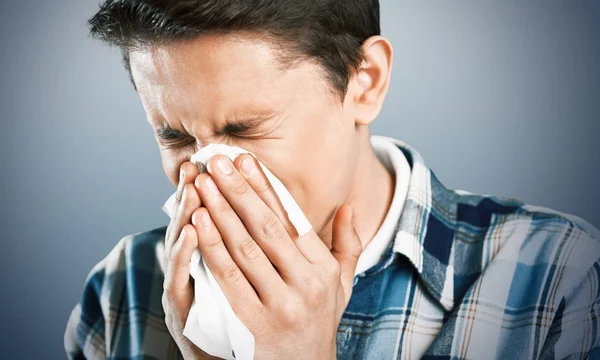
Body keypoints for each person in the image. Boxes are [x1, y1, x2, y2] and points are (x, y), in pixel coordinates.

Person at [65, 0, 600, 359]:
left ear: (365, 83)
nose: (210, 176)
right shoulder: (123, 290)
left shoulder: (557, 278)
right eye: (175, 138)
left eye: (244, 130)